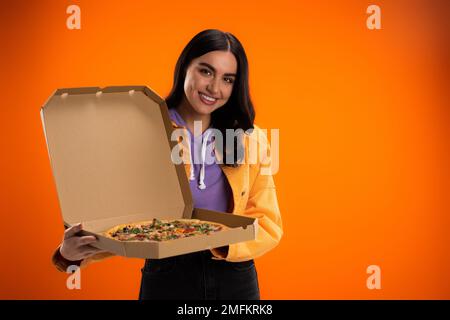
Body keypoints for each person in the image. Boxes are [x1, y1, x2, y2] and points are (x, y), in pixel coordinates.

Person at [51, 29, 283, 300]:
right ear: (185, 67)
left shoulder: (251, 139)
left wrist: (217, 244)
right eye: (206, 72)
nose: (215, 88)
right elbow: (123, 219)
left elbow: (268, 222)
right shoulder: (144, 130)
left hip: (235, 276)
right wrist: (69, 257)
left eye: (228, 79)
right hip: (167, 276)